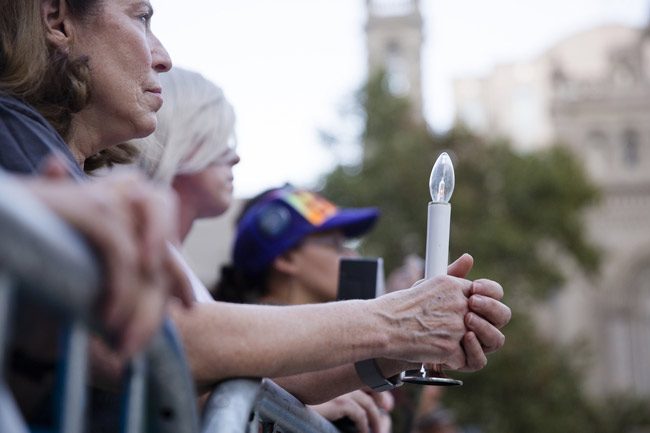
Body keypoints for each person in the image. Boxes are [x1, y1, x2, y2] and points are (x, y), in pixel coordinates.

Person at [135, 66, 511, 407]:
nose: (349, 253)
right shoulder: (136, 261)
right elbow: (183, 347)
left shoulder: (172, 271)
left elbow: (268, 374)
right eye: (215, 137)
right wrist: (402, 320)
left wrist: (407, 343)